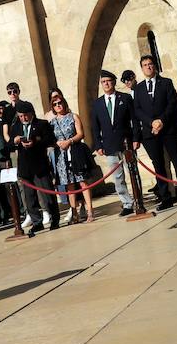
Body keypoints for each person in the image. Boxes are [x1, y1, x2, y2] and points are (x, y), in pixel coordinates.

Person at [132, 53, 177, 209]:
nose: (148, 67)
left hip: (168, 130)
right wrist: (151, 122)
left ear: (155, 66)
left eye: (150, 64)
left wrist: (161, 121)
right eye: (145, 65)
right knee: (158, 165)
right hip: (150, 133)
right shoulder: (138, 89)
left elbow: (172, 104)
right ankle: (166, 197)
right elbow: (137, 110)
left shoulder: (166, 83)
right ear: (141, 68)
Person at [92, 70, 137, 215]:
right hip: (110, 145)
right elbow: (95, 126)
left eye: (108, 81)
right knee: (118, 177)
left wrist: (136, 139)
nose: (106, 84)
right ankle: (127, 203)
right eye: (103, 82)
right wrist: (98, 145)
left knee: (133, 171)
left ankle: (138, 198)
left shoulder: (125, 98)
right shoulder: (98, 103)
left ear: (114, 82)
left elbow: (134, 120)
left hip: (126, 143)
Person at [12, 101, 57, 236]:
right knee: (29, 197)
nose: (23, 119)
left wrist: (35, 142)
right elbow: (8, 145)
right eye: (20, 116)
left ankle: (54, 218)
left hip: (39, 165)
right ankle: (37, 222)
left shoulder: (42, 124)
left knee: (47, 194)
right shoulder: (16, 127)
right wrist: (15, 141)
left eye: (25, 116)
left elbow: (50, 140)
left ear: (31, 114)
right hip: (25, 167)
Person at [49, 92, 94, 224]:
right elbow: (51, 139)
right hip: (61, 155)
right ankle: (74, 212)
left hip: (75, 151)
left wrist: (70, 141)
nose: (58, 106)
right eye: (55, 104)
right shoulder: (52, 122)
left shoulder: (73, 116)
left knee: (82, 182)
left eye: (60, 103)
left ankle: (90, 210)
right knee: (69, 184)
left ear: (64, 103)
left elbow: (81, 133)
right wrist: (57, 143)